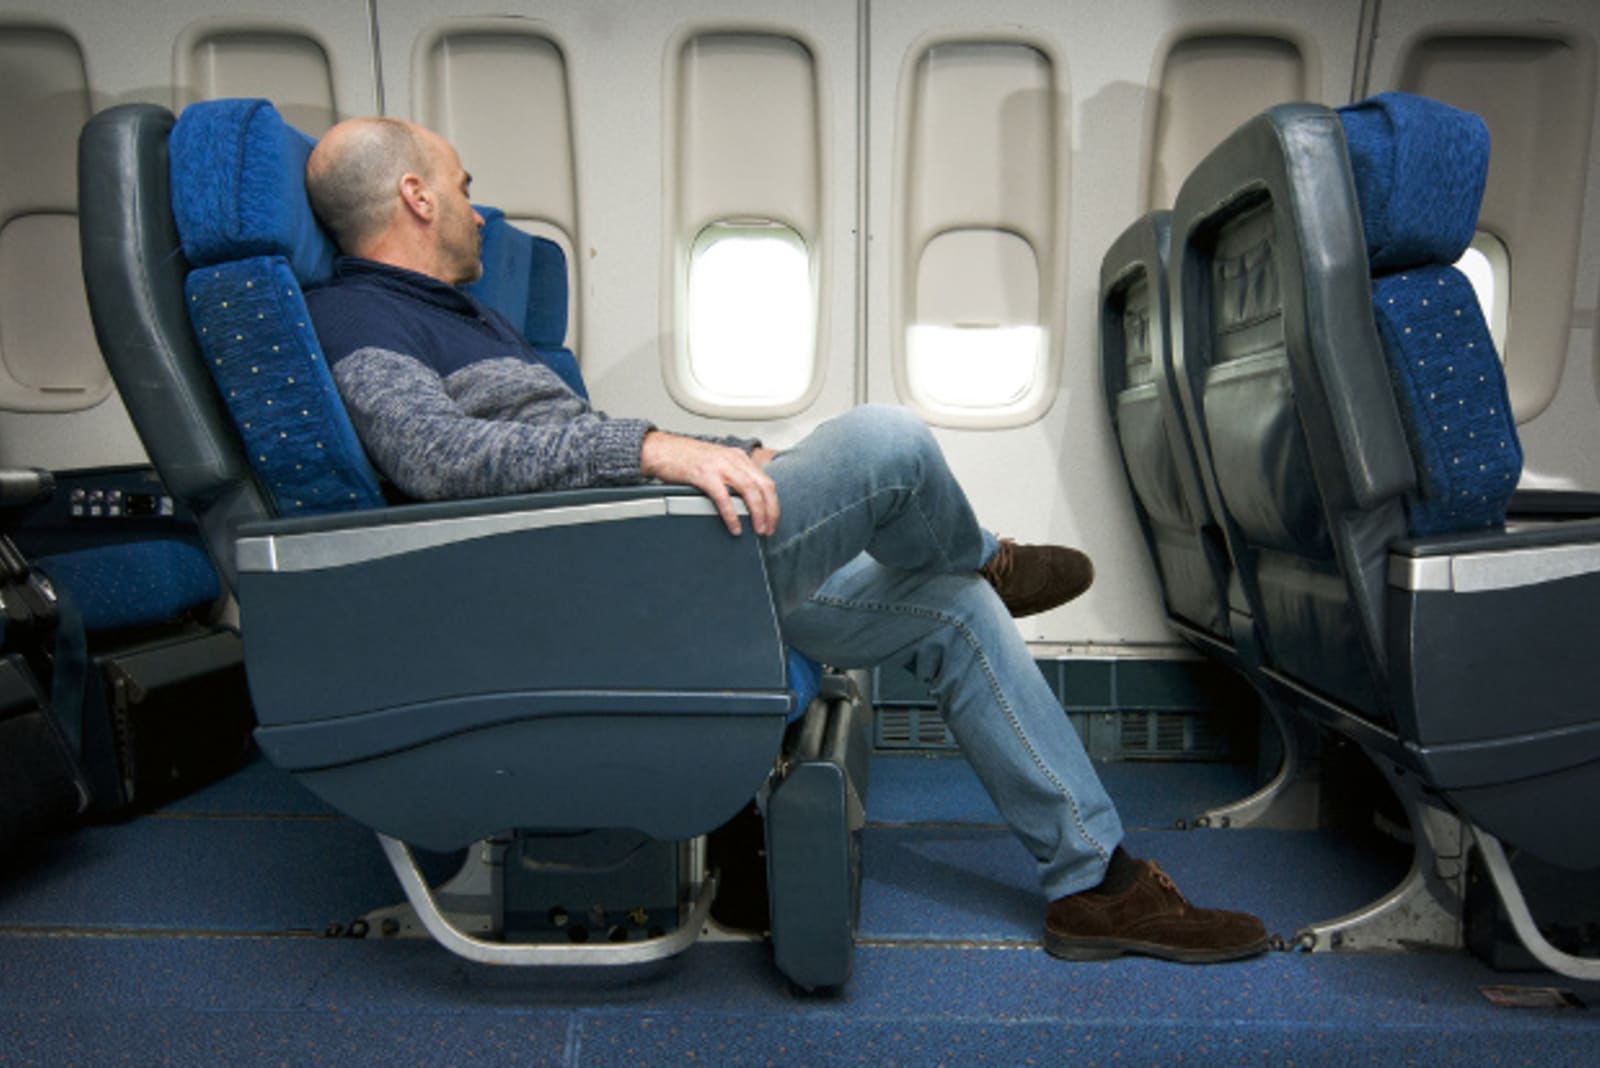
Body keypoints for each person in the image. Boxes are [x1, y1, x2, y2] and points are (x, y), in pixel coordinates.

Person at [303, 116, 1269, 964]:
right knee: (887, 441)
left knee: (954, 614)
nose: (480, 207)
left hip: (635, 551)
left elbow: (560, 449)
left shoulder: (467, 315)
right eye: (464, 186)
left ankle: (1093, 883)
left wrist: (723, 449)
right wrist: (650, 448)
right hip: (592, 582)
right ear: (415, 195)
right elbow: (438, 458)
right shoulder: (358, 316)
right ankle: (985, 551)